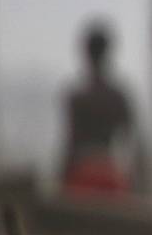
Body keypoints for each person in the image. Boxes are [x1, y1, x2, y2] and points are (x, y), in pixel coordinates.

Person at [58, 22, 137, 198]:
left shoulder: (78, 97)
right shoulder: (118, 97)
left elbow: (70, 143)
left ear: (86, 53)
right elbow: (135, 142)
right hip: (112, 176)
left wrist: (61, 183)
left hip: (81, 177)